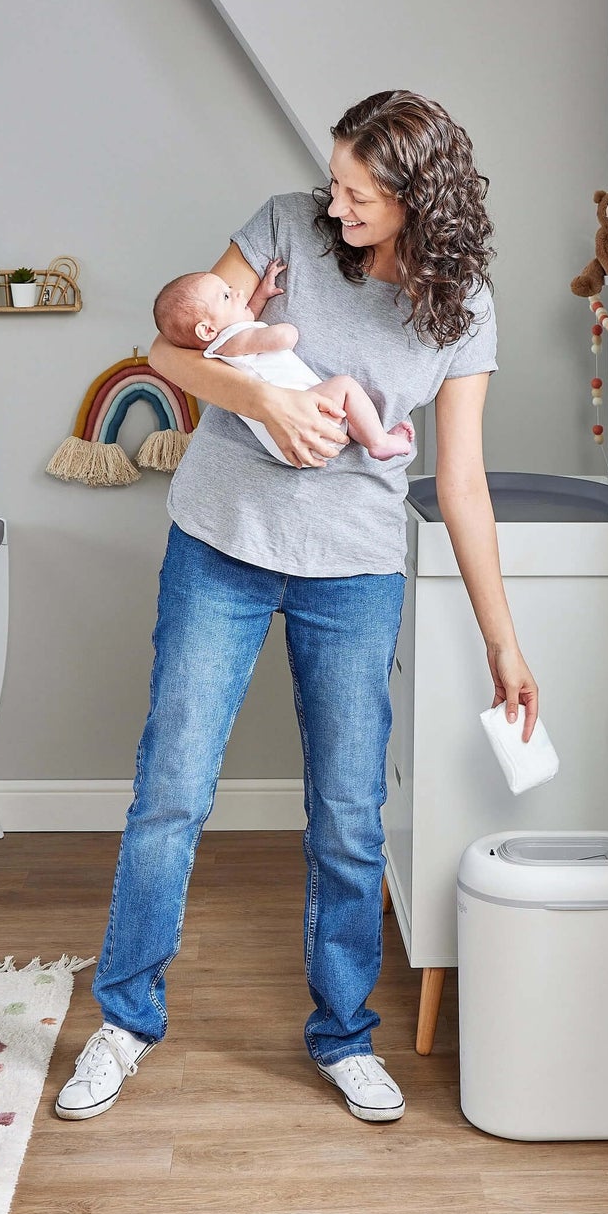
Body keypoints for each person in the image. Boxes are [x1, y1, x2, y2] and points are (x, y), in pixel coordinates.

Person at [55, 89, 540, 1124]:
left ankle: (342, 1034)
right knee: (169, 792)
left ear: (419, 197)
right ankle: (125, 1018)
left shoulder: (462, 306)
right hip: (219, 544)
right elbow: (168, 351)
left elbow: (461, 483)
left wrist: (504, 644)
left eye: (360, 193)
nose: (337, 204)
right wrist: (267, 399)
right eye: (334, 182)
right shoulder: (284, 224)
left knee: (349, 816)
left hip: (353, 569)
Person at [151, 264, 416, 465]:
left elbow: (246, 323)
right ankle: (377, 440)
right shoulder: (234, 341)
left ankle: (373, 435)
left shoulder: (224, 347)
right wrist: (287, 330)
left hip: (289, 444)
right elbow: (282, 337)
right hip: (304, 418)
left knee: (344, 406)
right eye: (226, 296)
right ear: (207, 330)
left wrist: (261, 294)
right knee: (345, 386)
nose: (238, 291)